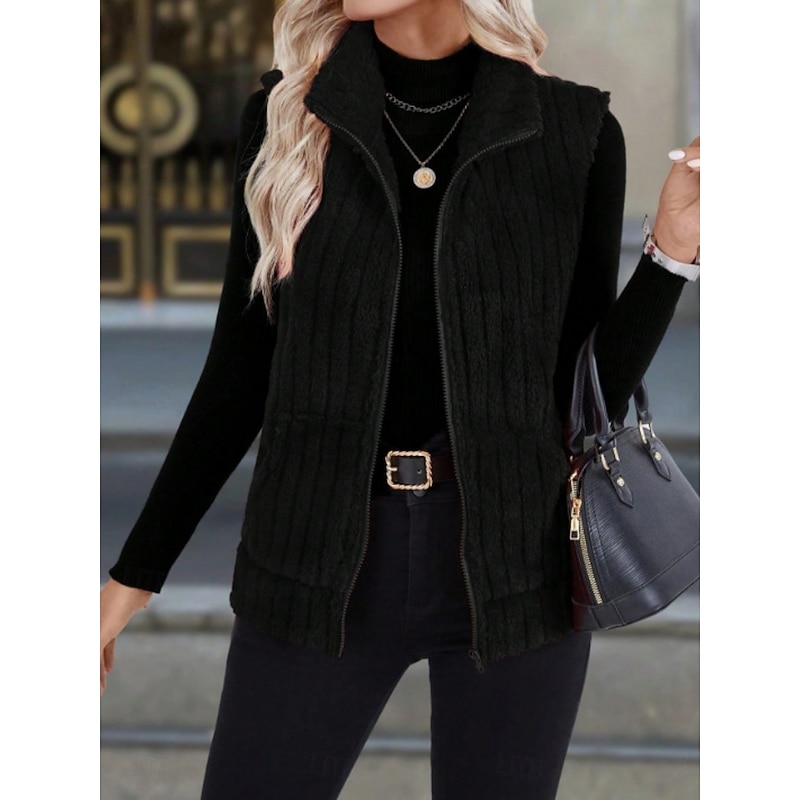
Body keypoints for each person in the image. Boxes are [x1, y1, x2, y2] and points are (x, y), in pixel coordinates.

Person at [100, 1, 700, 797]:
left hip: (515, 567)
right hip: (314, 553)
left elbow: (586, 398)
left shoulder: (574, 132)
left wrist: (670, 254)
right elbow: (240, 372)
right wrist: (133, 578)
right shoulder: (288, 117)